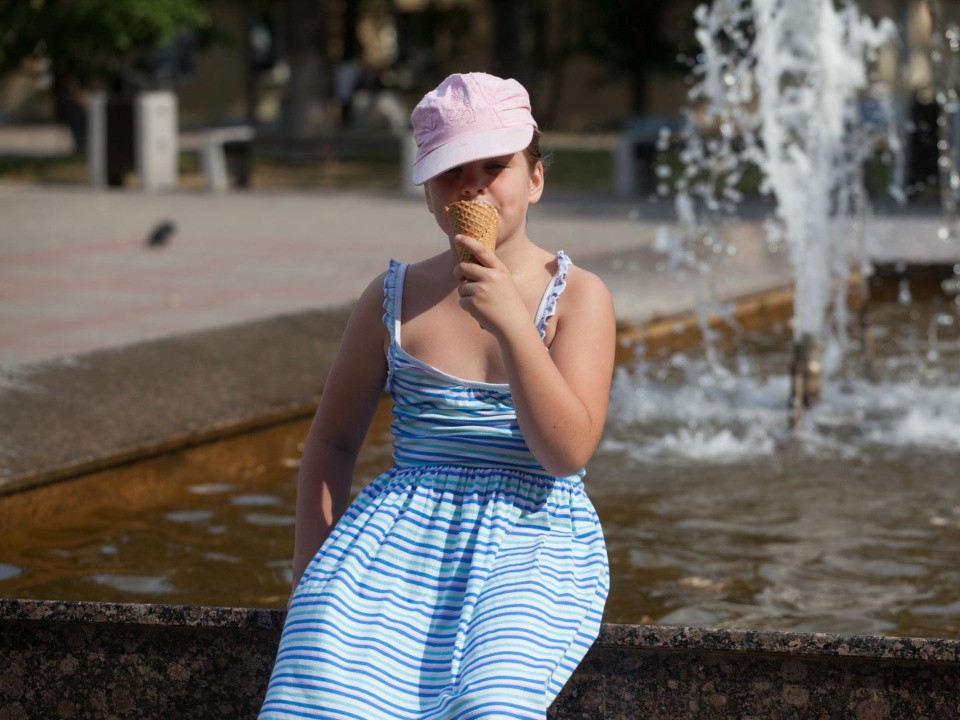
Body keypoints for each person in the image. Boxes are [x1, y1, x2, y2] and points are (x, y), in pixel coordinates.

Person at [259, 72, 616, 720]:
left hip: (532, 540)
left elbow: (566, 453)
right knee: (322, 692)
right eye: (451, 171)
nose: (473, 185)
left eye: (494, 165)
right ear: (426, 191)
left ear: (534, 179)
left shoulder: (579, 296)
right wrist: (311, 572)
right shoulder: (392, 299)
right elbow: (332, 441)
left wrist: (512, 324)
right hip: (397, 539)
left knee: (491, 701)